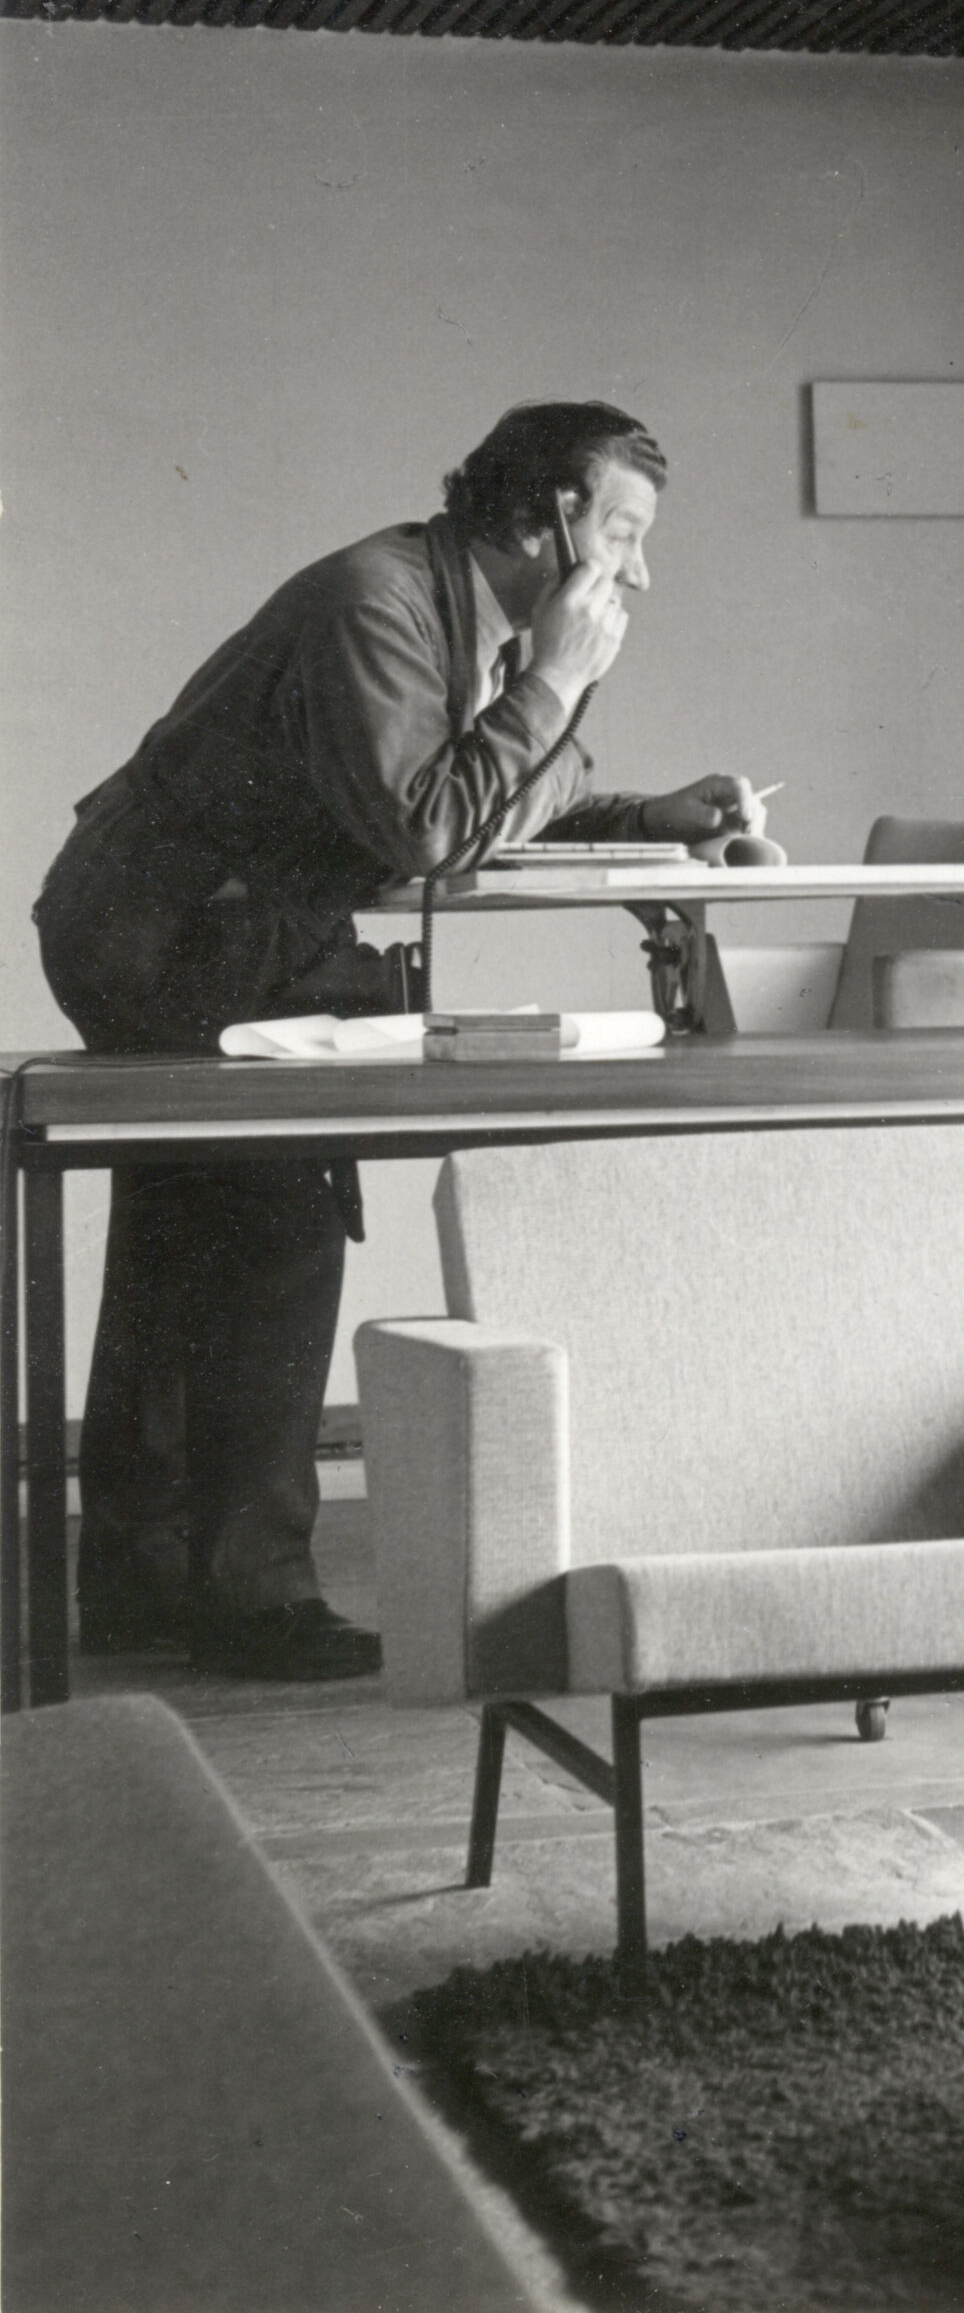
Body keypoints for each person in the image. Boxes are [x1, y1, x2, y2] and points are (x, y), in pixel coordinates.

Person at [35, 401, 761, 1680]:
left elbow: (466, 793)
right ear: (545, 519)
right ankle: (249, 1597)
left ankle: (146, 1576)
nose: (639, 572)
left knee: (190, 1223)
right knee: (275, 1221)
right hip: (169, 931)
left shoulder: (453, 611)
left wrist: (644, 812)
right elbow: (428, 826)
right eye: (623, 532)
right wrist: (556, 681)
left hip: (201, 923)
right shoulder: (376, 605)